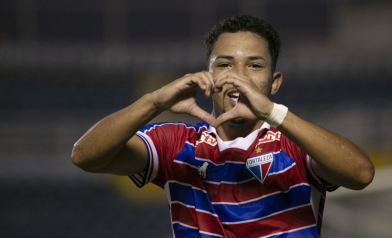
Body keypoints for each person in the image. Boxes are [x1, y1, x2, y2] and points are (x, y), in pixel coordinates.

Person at [72, 15, 374, 237]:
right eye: (225, 64)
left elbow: (361, 174)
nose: (239, 77)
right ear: (208, 76)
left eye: (254, 66)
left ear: (274, 82)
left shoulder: (296, 141)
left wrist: (272, 112)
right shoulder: (176, 143)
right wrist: (154, 102)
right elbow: (84, 156)